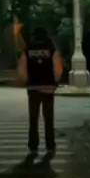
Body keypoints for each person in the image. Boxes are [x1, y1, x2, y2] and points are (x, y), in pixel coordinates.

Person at [17, 26, 63, 154]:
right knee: (48, 118)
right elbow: (57, 67)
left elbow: (22, 68)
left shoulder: (28, 50)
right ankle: (50, 144)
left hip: (33, 87)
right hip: (48, 87)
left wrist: (26, 80)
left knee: (33, 118)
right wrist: (55, 80)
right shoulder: (51, 49)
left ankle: (33, 145)